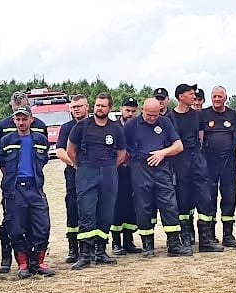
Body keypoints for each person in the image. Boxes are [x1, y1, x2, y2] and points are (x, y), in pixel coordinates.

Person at [65, 93, 127, 267]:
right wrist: (81, 166)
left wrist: (109, 167)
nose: (100, 108)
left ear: (109, 108)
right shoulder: (82, 127)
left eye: (103, 106)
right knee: (86, 212)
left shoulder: (116, 129)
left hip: (108, 173)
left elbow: (122, 154)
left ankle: (100, 251)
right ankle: (85, 254)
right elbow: (71, 150)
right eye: (97, 105)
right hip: (86, 171)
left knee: (106, 212)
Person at [0, 107, 56, 276]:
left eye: (24, 119)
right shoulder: (6, 141)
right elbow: (0, 161)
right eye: (18, 119)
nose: (21, 123)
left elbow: (43, 160)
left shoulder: (41, 140)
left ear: (31, 120)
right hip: (14, 190)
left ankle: (39, 262)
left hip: (35, 187)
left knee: (42, 225)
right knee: (16, 227)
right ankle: (23, 264)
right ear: (14, 121)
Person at [124, 96, 187, 256]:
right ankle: (147, 246)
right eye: (149, 115)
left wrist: (162, 153)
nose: (152, 118)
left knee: (169, 206)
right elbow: (122, 149)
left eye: (155, 114)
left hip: (162, 169)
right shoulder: (131, 125)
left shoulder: (165, 122)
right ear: (142, 111)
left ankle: (174, 244)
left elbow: (178, 146)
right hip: (140, 169)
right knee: (143, 207)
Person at [173, 83, 221, 253]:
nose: (194, 97)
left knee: (204, 197)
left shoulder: (197, 116)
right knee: (183, 199)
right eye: (190, 94)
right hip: (179, 160)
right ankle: (186, 237)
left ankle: (206, 240)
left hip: (196, 158)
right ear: (181, 96)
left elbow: (200, 138)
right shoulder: (170, 117)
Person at [203, 86, 236, 247]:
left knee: (229, 196)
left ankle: (228, 235)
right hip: (209, 161)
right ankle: (210, 235)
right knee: (210, 196)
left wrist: (229, 147)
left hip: (228, 160)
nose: (217, 99)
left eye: (220, 96)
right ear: (210, 98)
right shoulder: (204, 115)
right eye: (214, 96)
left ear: (225, 98)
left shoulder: (233, 115)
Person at [58, 95, 90, 265]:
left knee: (92, 208)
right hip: (73, 172)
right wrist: (75, 164)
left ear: (87, 107)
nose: (76, 109)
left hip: (93, 173)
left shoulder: (95, 126)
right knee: (73, 207)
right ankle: (73, 247)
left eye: (79, 106)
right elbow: (60, 151)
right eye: (73, 107)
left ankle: (92, 247)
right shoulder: (66, 127)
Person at [111, 98, 141, 256]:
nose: (130, 114)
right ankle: (116, 242)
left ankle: (128, 240)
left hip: (134, 171)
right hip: (117, 171)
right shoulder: (113, 127)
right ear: (121, 109)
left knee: (132, 206)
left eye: (133, 111)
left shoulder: (138, 127)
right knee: (117, 206)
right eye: (127, 110)